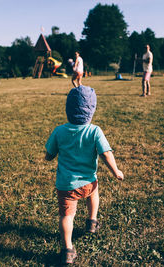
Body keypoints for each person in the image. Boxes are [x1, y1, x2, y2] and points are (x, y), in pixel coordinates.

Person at [45, 85, 124, 264]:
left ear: (68, 109)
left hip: (66, 186)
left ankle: (67, 250)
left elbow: (49, 155)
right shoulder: (95, 131)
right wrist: (116, 171)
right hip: (89, 182)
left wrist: (48, 156)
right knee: (94, 193)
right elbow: (106, 154)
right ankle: (92, 221)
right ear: (92, 109)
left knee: (66, 216)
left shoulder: (59, 131)